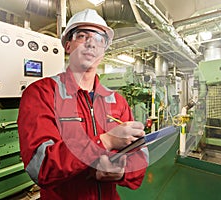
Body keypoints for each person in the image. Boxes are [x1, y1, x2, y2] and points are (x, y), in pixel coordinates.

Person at [17, 8, 148, 200]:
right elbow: (41, 166)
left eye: (99, 39)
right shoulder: (41, 93)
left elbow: (139, 155)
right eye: (82, 35)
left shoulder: (117, 101)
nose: (91, 44)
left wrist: (121, 173)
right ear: (68, 45)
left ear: (104, 50)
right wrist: (105, 141)